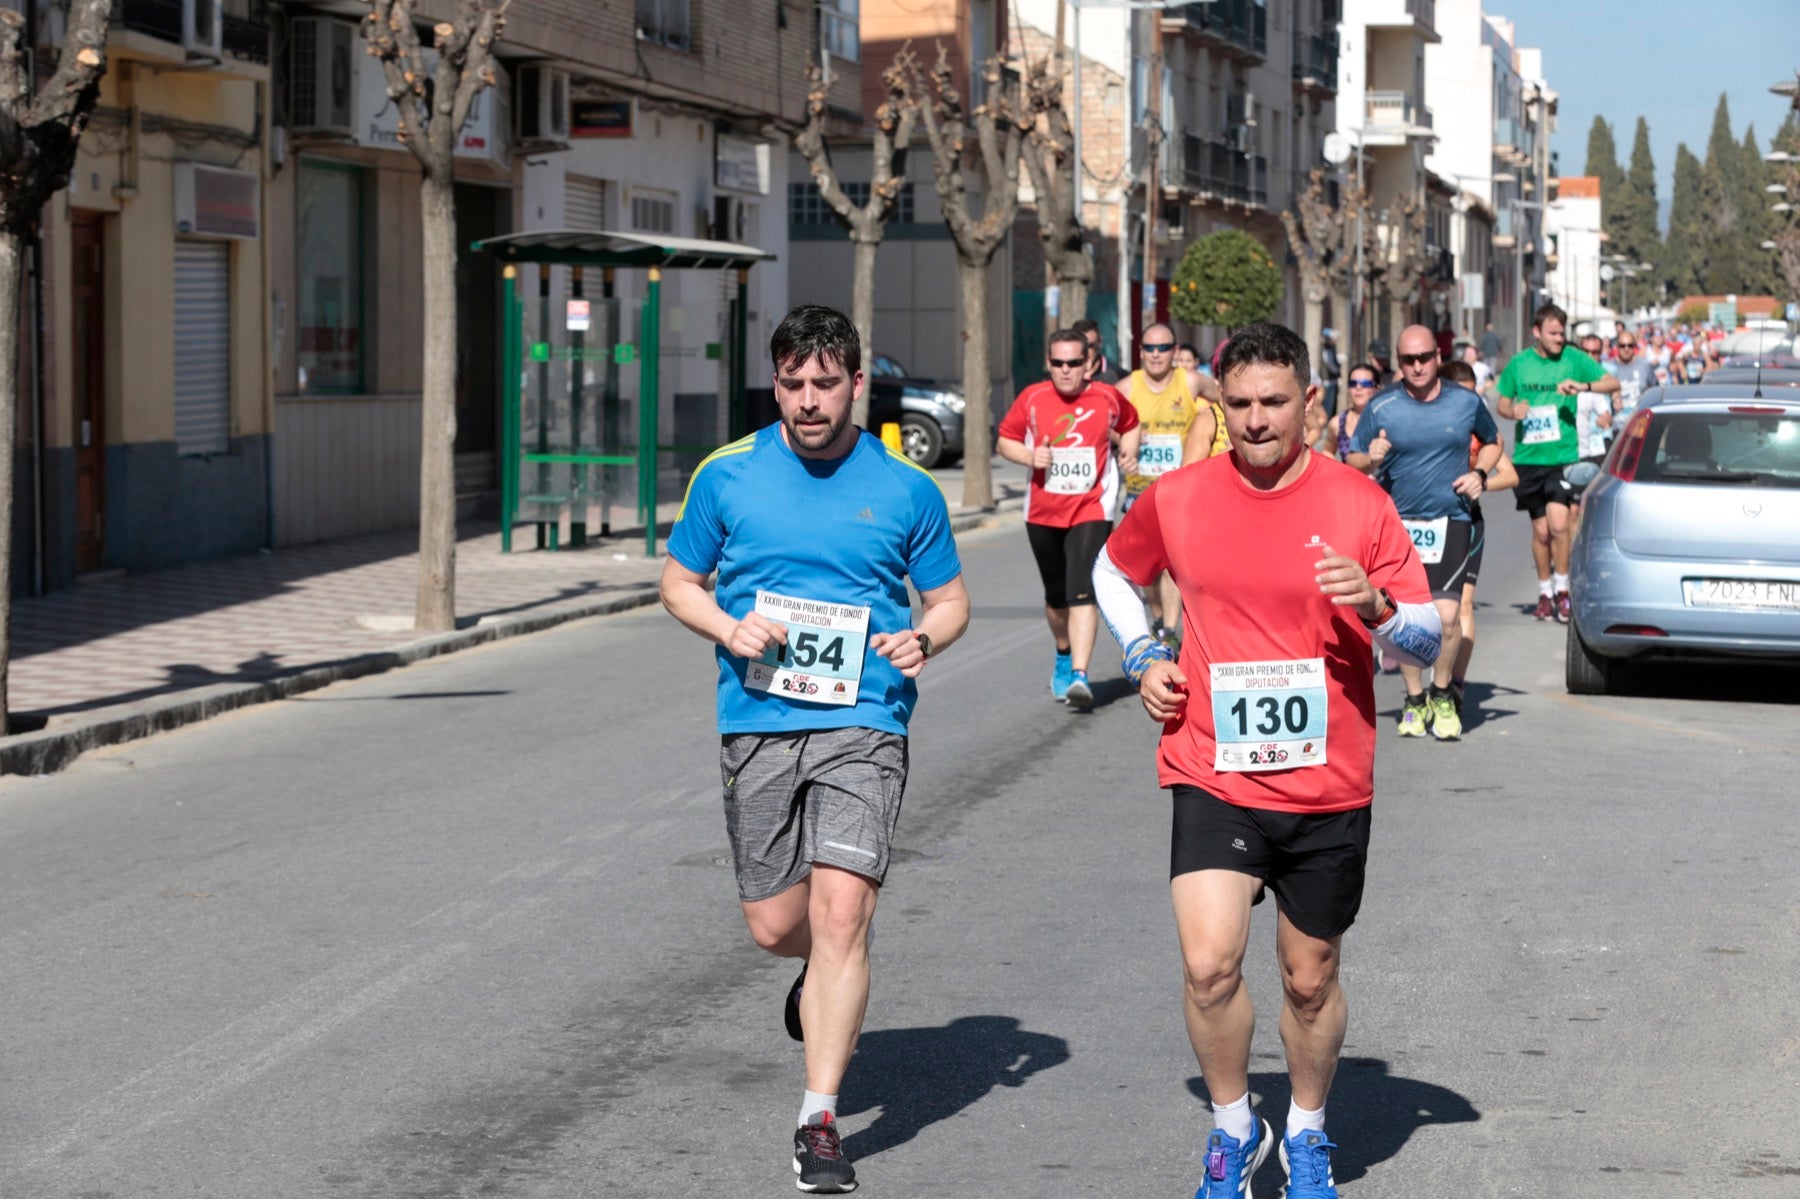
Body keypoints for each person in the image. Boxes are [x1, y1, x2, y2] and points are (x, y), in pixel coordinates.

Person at [1092, 321, 1440, 1199]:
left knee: (1309, 978)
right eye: (1239, 403)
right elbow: (1109, 570)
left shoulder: (1360, 503)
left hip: (1328, 778)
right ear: (1222, 404)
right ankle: (1234, 1124)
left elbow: (1428, 636)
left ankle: (1310, 1130)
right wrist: (1141, 654)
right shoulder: (1179, 496)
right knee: (1209, 965)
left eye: (1274, 403)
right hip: (1213, 764)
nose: (1254, 421)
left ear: (1310, 404)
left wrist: (1379, 610)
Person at [660, 304, 971, 1195]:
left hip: (865, 719)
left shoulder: (906, 486)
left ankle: (820, 1119)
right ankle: (814, 985)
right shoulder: (728, 476)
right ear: (776, 381)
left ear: (857, 384)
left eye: (824, 382)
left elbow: (947, 601)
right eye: (791, 382)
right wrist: (727, 623)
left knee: (843, 914)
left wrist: (925, 640)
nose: (806, 399)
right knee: (774, 926)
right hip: (756, 719)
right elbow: (679, 583)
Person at [1345, 326, 1500, 741]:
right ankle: (1414, 697)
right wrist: (1369, 456)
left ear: (1437, 356)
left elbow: (1494, 441)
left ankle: (1442, 690)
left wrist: (1479, 474)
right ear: (1398, 363)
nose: (1417, 366)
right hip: (1398, 527)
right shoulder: (1383, 406)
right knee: (1406, 619)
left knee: (1448, 617)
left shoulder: (1465, 402)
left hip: (1450, 521)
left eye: (1425, 358)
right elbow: (1352, 457)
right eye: (1408, 360)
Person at [996, 326, 1141, 709]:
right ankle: (1063, 652)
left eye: (1074, 363)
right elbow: (1005, 439)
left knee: (1082, 588)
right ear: (1048, 363)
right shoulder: (1032, 398)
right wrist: (1030, 457)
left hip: (1092, 507)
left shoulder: (1107, 397)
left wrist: (1128, 452)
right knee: (1056, 597)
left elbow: (1131, 425)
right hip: (1042, 509)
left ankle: (1079, 673)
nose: (1065, 370)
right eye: (1058, 363)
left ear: (1088, 364)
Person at [1494, 303, 1619, 623]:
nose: (1559, 339)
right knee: (1541, 533)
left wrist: (1583, 386)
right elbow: (1503, 403)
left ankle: (1563, 590)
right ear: (1536, 332)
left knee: (1560, 524)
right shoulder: (1519, 364)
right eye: (1553, 333)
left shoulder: (1574, 359)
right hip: (1529, 458)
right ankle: (1545, 592)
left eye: (1562, 333)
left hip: (1563, 457)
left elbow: (1611, 383)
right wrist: (1513, 412)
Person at [1439, 358, 1518, 719]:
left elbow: (1510, 475)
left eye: (1474, 397)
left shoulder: (1481, 431)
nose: (1469, 405)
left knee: (1463, 606)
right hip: (1425, 522)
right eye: (1461, 397)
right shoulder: (1421, 422)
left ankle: (1454, 682)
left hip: (1467, 521)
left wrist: (1479, 481)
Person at [1122, 323, 1200, 646]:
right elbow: (1107, 427)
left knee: (1172, 564)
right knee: (1149, 571)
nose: (1156, 355)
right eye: (1150, 348)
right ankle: (1157, 615)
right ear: (1141, 352)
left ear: (1175, 351)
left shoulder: (1192, 382)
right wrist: (1123, 446)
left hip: (1179, 491)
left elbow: (1224, 400)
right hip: (1139, 490)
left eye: (1163, 348)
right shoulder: (1126, 387)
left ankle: (1169, 630)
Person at [1320, 363, 1378, 462]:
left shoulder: (1386, 419)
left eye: (1365, 384)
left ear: (1376, 388)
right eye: (1353, 383)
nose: (1358, 388)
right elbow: (1327, 451)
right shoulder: (1337, 423)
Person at [1610, 330, 1656, 424]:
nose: (1626, 349)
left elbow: (1654, 390)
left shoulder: (1644, 365)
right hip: (1617, 426)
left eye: (1630, 345)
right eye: (1622, 346)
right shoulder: (1609, 368)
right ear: (1617, 347)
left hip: (1641, 424)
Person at [1073, 316, 1122, 385]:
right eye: (1081, 346)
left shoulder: (1117, 374)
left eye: (1090, 345)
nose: (1085, 351)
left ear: (1100, 342)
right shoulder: (1062, 373)